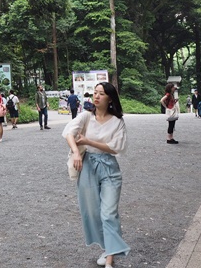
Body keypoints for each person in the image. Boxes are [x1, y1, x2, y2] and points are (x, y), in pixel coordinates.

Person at [63, 81, 129, 268]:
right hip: (88, 168)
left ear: (110, 98)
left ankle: (109, 260)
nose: (96, 96)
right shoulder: (85, 117)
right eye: (95, 92)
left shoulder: (117, 121)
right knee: (91, 212)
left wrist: (89, 141)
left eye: (101, 93)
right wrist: (76, 151)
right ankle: (108, 248)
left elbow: (116, 148)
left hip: (109, 168)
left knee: (108, 213)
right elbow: (69, 132)